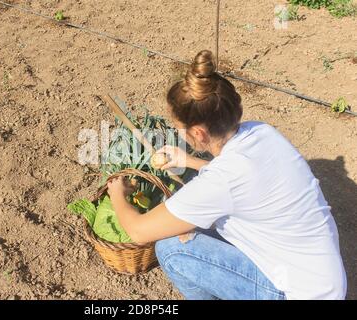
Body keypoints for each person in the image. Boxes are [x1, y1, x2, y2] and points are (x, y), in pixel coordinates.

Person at [106, 50, 347, 300]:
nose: (179, 134)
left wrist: (117, 194)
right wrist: (188, 160)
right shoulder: (263, 132)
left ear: (198, 133)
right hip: (322, 281)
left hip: (295, 294)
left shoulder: (221, 182)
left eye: (179, 129)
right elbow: (243, 179)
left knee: (171, 249)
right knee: (191, 225)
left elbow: (138, 231)